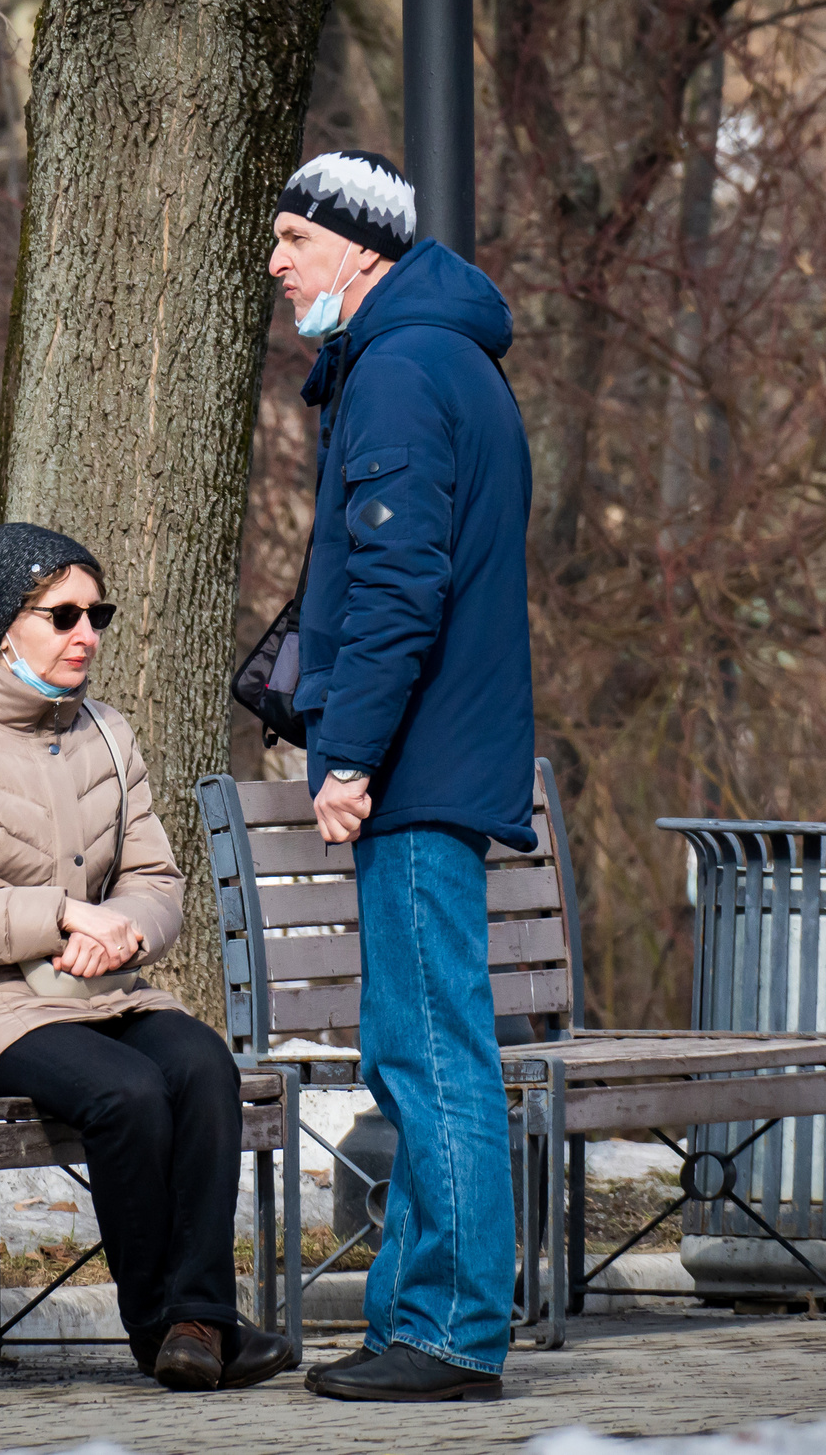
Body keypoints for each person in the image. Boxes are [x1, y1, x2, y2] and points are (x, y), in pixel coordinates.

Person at [0, 521, 299, 1392]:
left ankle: (199, 1318)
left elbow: (155, 875)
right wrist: (62, 914)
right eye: (62, 614)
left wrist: (131, 927)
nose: (86, 634)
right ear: (1, 624)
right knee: (126, 1092)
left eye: (96, 613)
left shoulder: (108, 732)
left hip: (90, 995)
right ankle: (159, 1331)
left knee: (202, 1064)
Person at [267, 150, 535, 1404]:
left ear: (359, 250)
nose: (276, 265)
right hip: (440, 757)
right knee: (420, 1048)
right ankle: (416, 1320)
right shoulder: (444, 360)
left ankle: (450, 1332)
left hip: (415, 769)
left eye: (293, 241)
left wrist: (349, 756)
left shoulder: (400, 371)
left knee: (428, 1053)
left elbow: (396, 590)